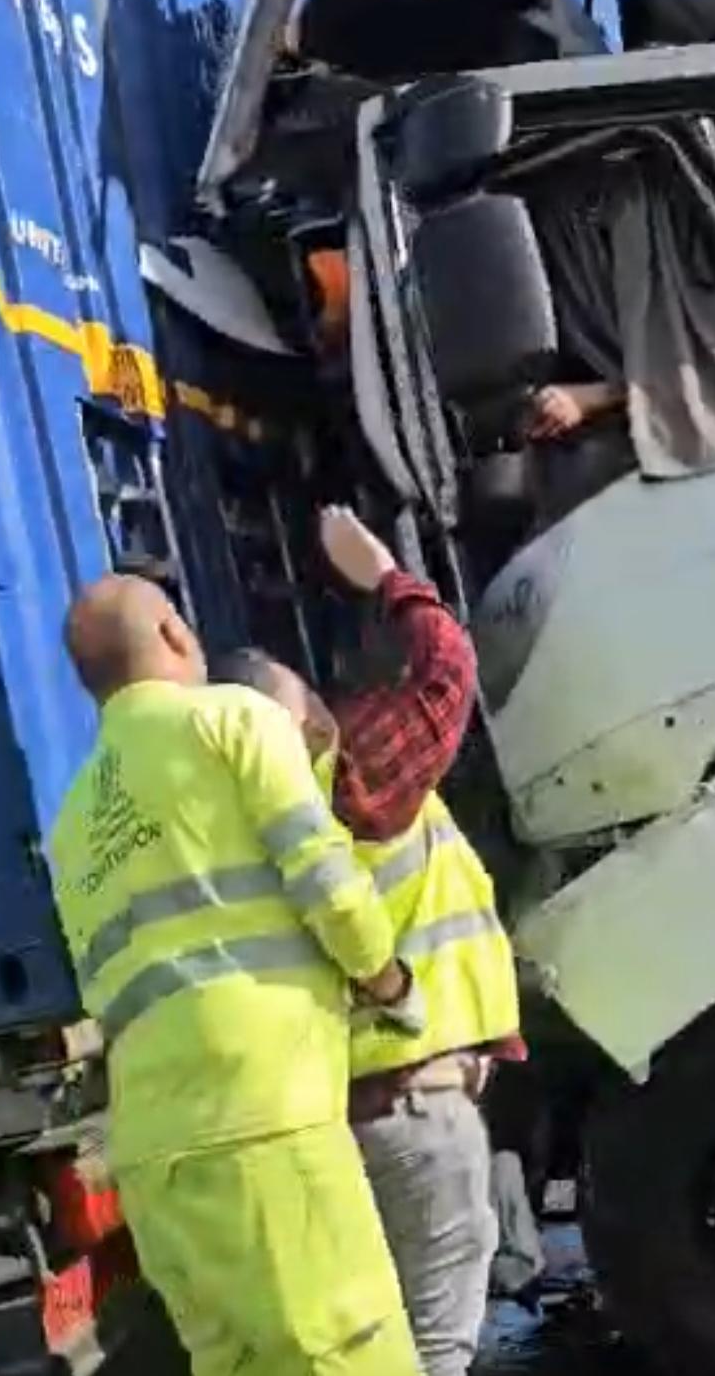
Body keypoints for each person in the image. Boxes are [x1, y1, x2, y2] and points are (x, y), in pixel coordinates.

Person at [47, 574, 424, 1376]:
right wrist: (388, 982)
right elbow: (328, 883)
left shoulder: (73, 822)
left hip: (154, 1160)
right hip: (264, 1121)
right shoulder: (231, 719)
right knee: (351, 1357)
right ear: (175, 636)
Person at [214, 508, 523, 1376]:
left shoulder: (231, 833)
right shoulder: (348, 782)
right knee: (434, 1348)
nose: (330, 708)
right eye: (312, 701)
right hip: (411, 1107)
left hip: (335, 1121)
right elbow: (445, 672)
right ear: (294, 727)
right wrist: (386, 576)